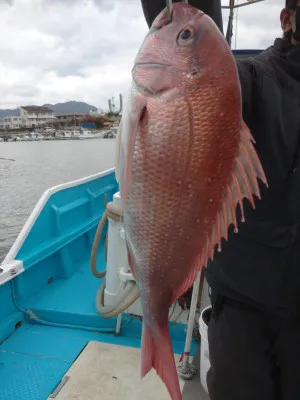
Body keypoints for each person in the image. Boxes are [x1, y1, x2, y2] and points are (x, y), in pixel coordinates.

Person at [140, 1, 300, 399]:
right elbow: (201, 69)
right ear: (288, 19)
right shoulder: (250, 79)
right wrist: (191, 16)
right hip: (246, 305)